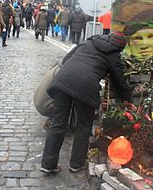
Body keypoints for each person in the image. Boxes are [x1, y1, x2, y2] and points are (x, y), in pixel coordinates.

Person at [40, 32, 131, 174]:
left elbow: (66, 59)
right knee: (83, 126)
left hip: (63, 80)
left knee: (58, 122)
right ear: (120, 46)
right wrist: (128, 99)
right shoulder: (113, 54)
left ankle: (48, 164)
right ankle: (76, 164)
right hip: (85, 87)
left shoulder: (88, 42)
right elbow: (119, 80)